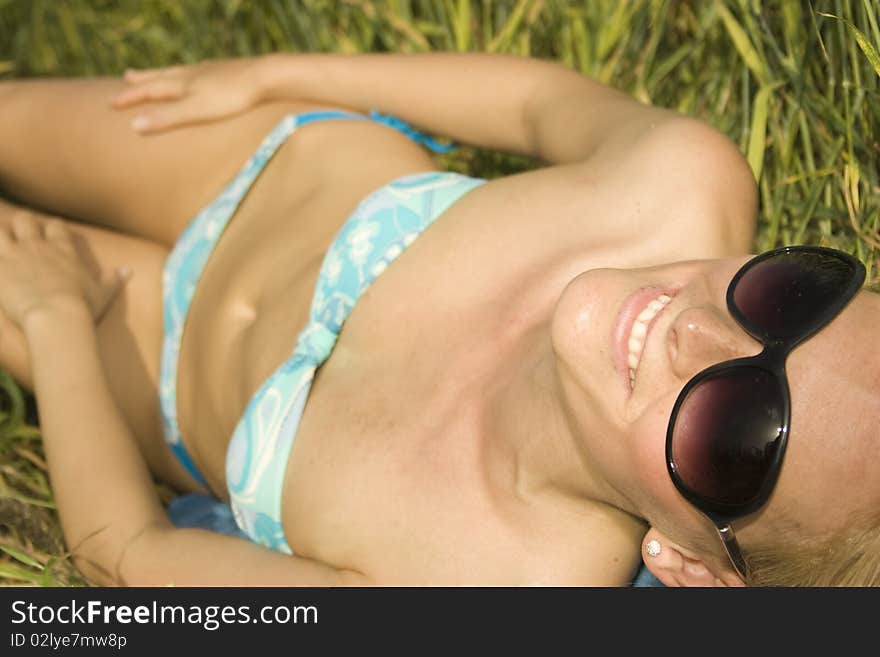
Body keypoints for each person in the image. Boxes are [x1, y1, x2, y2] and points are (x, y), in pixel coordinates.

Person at [0, 52, 877, 587]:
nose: (700, 332)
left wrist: (53, 319)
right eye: (791, 296)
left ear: (695, 568)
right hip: (262, 157)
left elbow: (132, 557)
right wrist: (281, 75)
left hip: (152, 357)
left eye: (741, 430)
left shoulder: (467, 585)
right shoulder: (681, 183)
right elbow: (536, 102)